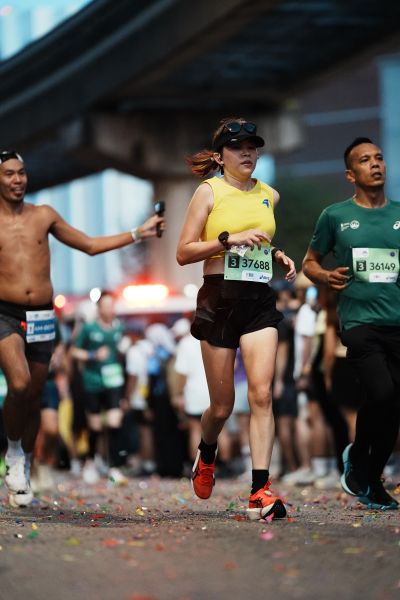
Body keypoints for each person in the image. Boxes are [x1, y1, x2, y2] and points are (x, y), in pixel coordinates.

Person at [0, 150, 165, 507]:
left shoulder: (43, 215)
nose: (17, 180)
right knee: (20, 384)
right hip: (5, 314)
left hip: (43, 315)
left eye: (22, 173)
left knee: (33, 397)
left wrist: (138, 233)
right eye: (9, 173)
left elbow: (89, 245)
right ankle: (12, 451)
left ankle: (25, 463)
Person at [176, 117, 296, 520]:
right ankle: (207, 451)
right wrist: (227, 240)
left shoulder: (269, 194)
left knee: (261, 394)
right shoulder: (208, 191)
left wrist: (276, 254)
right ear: (220, 156)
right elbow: (184, 252)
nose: (247, 152)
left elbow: (259, 238)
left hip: (259, 298)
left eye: (252, 146)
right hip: (220, 298)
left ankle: (260, 490)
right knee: (222, 406)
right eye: (238, 146)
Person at [302, 137, 399, 510]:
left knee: (392, 405)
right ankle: (359, 456)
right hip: (359, 323)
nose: (375, 164)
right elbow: (310, 262)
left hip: (397, 322)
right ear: (350, 174)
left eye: (379, 158)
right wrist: (326, 276)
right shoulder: (335, 216)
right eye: (365, 159)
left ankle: (371, 477)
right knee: (383, 393)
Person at [71, 290, 127, 485]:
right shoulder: (88, 328)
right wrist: (92, 355)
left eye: (112, 305)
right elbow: (74, 351)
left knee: (114, 421)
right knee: (94, 425)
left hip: (113, 380)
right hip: (93, 381)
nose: (110, 309)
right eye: (106, 306)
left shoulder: (119, 327)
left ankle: (115, 467)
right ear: (99, 308)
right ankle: (90, 462)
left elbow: (120, 350)